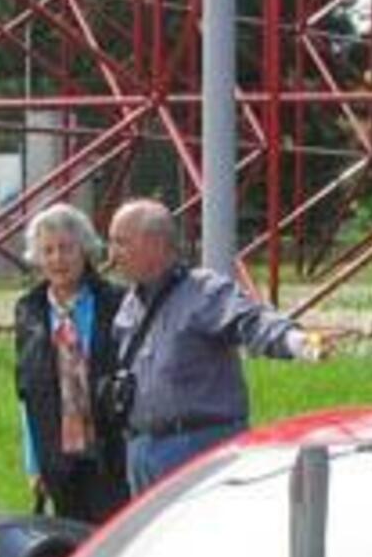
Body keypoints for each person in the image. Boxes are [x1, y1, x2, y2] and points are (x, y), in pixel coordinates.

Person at [103, 199, 327, 493]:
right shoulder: (131, 304)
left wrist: (297, 342)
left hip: (194, 448)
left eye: (121, 243)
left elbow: (252, 321)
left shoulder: (204, 293)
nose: (112, 254)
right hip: (143, 452)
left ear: (156, 244)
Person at [11, 202, 130, 525]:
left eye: (66, 248)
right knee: (71, 546)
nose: (57, 259)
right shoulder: (29, 310)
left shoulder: (116, 303)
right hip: (57, 454)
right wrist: (33, 464)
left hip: (111, 453)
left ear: (85, 251)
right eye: (47, 251)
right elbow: (26, 392)